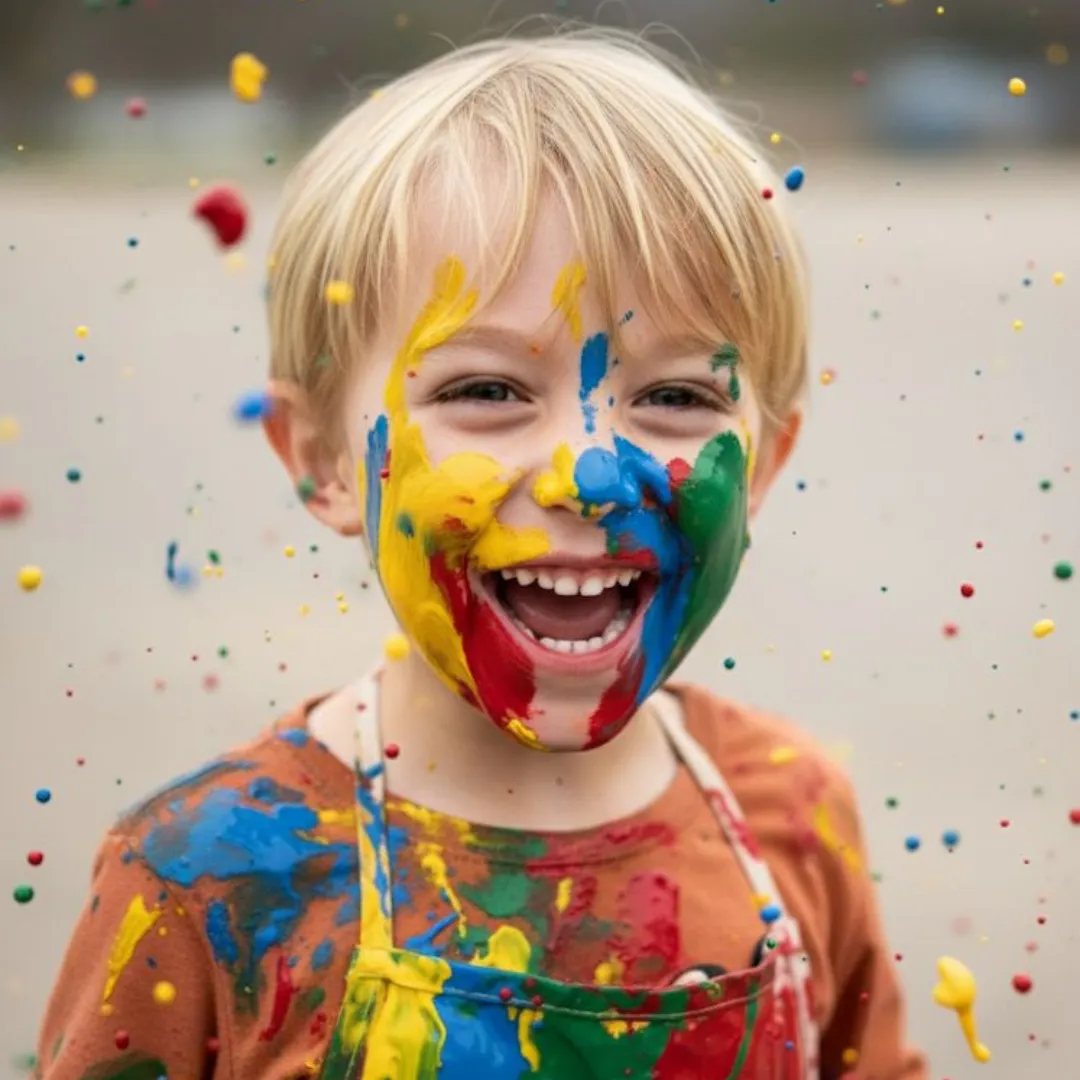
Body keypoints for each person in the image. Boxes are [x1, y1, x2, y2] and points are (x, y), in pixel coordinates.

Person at [36, 29, 928, 1080]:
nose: (590, 477)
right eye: (487, 390)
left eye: (676, 396)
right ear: (322, 458)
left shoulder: (794, 813)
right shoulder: (205, 879)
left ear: (765, 465)